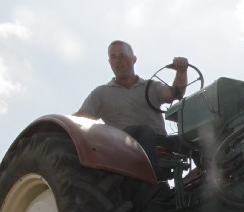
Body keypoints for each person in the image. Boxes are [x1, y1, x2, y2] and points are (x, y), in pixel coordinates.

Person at [74, 40, 190, 169]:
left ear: (134, 59)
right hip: (124, 145)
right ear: (110, 62)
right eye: (113, 57)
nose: (118, 61)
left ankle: (205, 176)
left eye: (122, 56)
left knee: (193, 141)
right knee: (145, 131)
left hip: (158, 140)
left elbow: (173, 94)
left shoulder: (151, 86)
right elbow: (79, 119)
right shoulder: (101, 93)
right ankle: (148, 175)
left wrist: (181, 71)